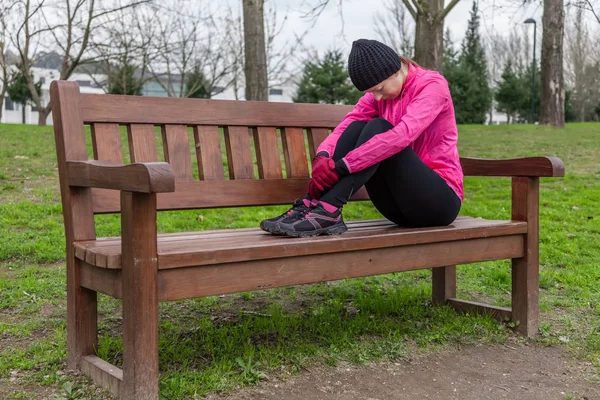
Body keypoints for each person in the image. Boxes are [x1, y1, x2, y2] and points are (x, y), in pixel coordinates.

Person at [261, 39, 464, 238]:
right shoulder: (380, 92)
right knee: (358, 126)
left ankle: (329, 208)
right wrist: (323, 157)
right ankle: (314, 203)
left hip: (439, 203)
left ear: (396, 71)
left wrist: (344, 166)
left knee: (380, 127)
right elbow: (347, 124)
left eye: (380, 89)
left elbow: (402, 135)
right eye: (370, 92)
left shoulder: (432, 86)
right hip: (399, 208)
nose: (376, 97)